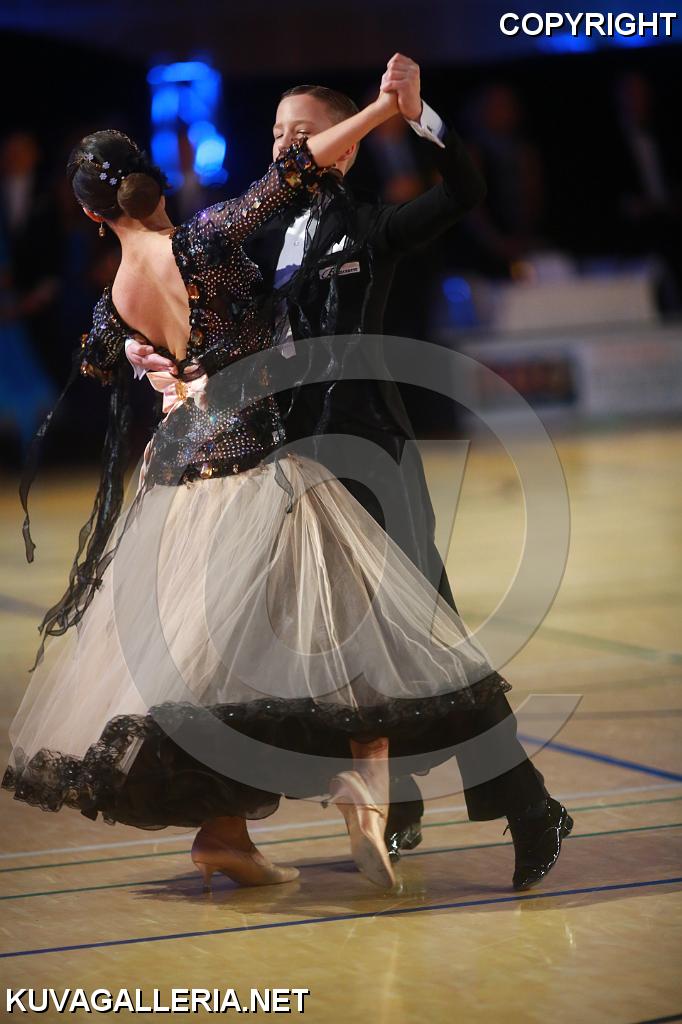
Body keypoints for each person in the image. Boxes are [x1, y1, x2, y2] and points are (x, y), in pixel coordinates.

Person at [2, 85, 524, 896]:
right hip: (257, 467)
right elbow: (292, 176)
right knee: (350, 636)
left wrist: (152, 360)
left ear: (95, 218)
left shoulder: (115, 298)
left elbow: (106, 358)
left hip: (179, 488)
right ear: (153, 184)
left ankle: (225, 834)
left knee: (217, 668)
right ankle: (364, 791)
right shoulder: (204, 240)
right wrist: (383, 110)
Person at [127, 55, 573, 892]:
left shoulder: (371, 225)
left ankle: (528, 806)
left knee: (427, 640)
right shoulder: (256, 235)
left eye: (301, 133)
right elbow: (194, 311)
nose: (284, 146)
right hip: (284, 462)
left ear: (346, 144)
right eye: (276, 133)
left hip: (371, 450)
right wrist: (148, 355)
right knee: (332, 645)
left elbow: (466, 192)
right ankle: (393, 803)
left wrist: (419, 117)